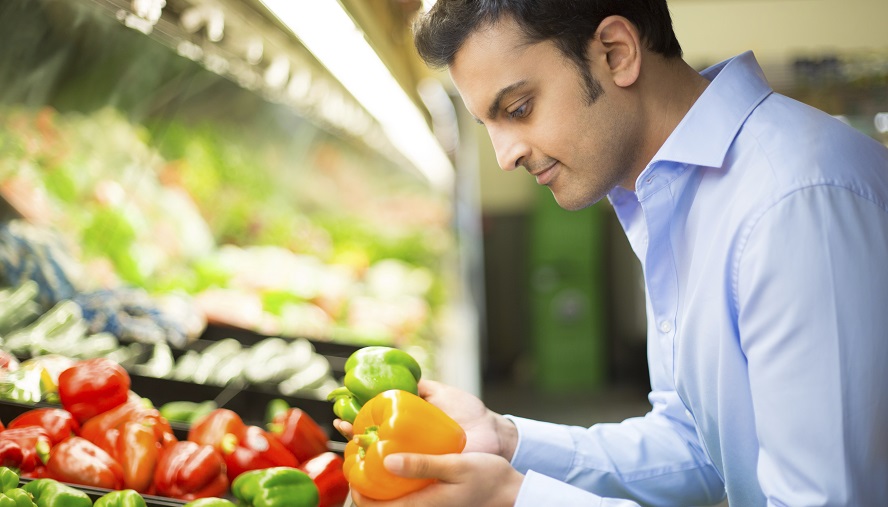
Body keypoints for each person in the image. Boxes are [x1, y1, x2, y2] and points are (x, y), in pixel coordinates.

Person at [338, 1, 888, 505]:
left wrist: (516, 498)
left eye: (520, 107)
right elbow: (697, 444)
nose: (504, 156)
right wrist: (505, 440)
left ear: (616, 53)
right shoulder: (674, 192)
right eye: (488, 126)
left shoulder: (793, 202)